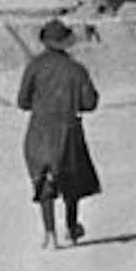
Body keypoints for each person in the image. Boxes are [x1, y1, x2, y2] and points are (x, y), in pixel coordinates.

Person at [18, 20, 102, 250]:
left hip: (39, 130)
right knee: (71, 181)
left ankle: (49, 232)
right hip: (68, 130)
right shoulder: (76, 69)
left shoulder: (34, 66)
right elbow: (90, 103)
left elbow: (22, 101)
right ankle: (72, 227)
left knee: (44, 179)